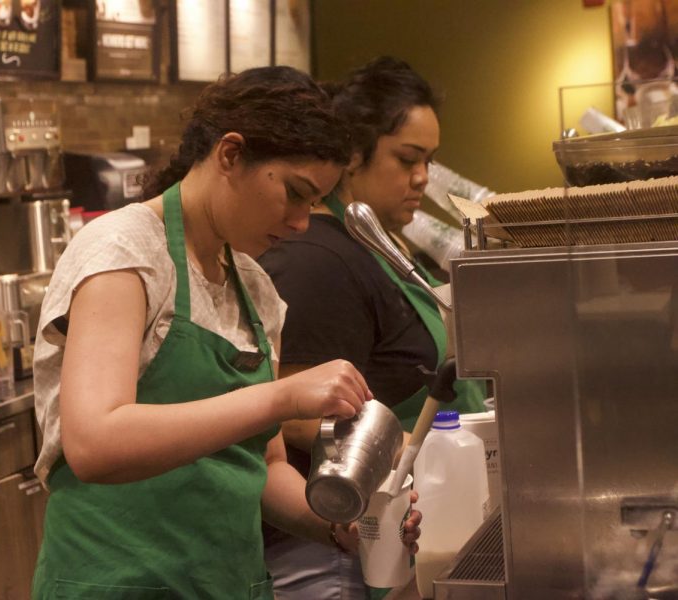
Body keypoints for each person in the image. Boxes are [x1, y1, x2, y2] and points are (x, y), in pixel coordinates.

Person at [30, 66, 421, 599]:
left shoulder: (255, 289)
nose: (303, 221)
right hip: (119, 585)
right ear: (231, 154)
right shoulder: (124, 252)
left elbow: (262, 467)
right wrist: (280, 397)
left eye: (314, 202)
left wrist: (339, 522)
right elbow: (95, 442)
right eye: (295, 193)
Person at [259, 57, 487, 599]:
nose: (423, 178)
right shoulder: (317, 257)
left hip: (393, 523)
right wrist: (416, 450)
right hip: (338, 542)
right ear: (352, 155)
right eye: (407, 158)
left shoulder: (375, 242)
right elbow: (289, 412)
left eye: (429, 160)